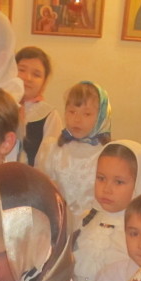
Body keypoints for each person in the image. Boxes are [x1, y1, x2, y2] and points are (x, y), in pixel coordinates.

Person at [71, 140, 141, 281]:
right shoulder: (84, 220)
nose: (107, 189)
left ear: (138, 183)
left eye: (119, 182)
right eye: (101, 178)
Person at [35, 80, 112, 229]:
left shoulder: (107, 155)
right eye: (71, 111)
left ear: (102, 117)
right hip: (56, 226)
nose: (77, 119)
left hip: (92, 228)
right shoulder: (51, 150)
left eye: (87, 114)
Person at [15, 46, 62, 166]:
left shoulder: (49, 115)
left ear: (44, 82)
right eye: (21, 70)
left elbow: (50, 162)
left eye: (36, 74)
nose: (27, 78)